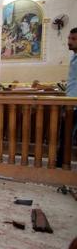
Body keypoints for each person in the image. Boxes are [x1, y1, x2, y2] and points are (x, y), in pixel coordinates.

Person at [58, 27, 77, 167]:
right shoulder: (74, 57)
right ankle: (61, 165)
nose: (69, 42)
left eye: (74, 39)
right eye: (69, 38)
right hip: (70, 102)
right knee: (64, 136)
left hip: (75, 103)